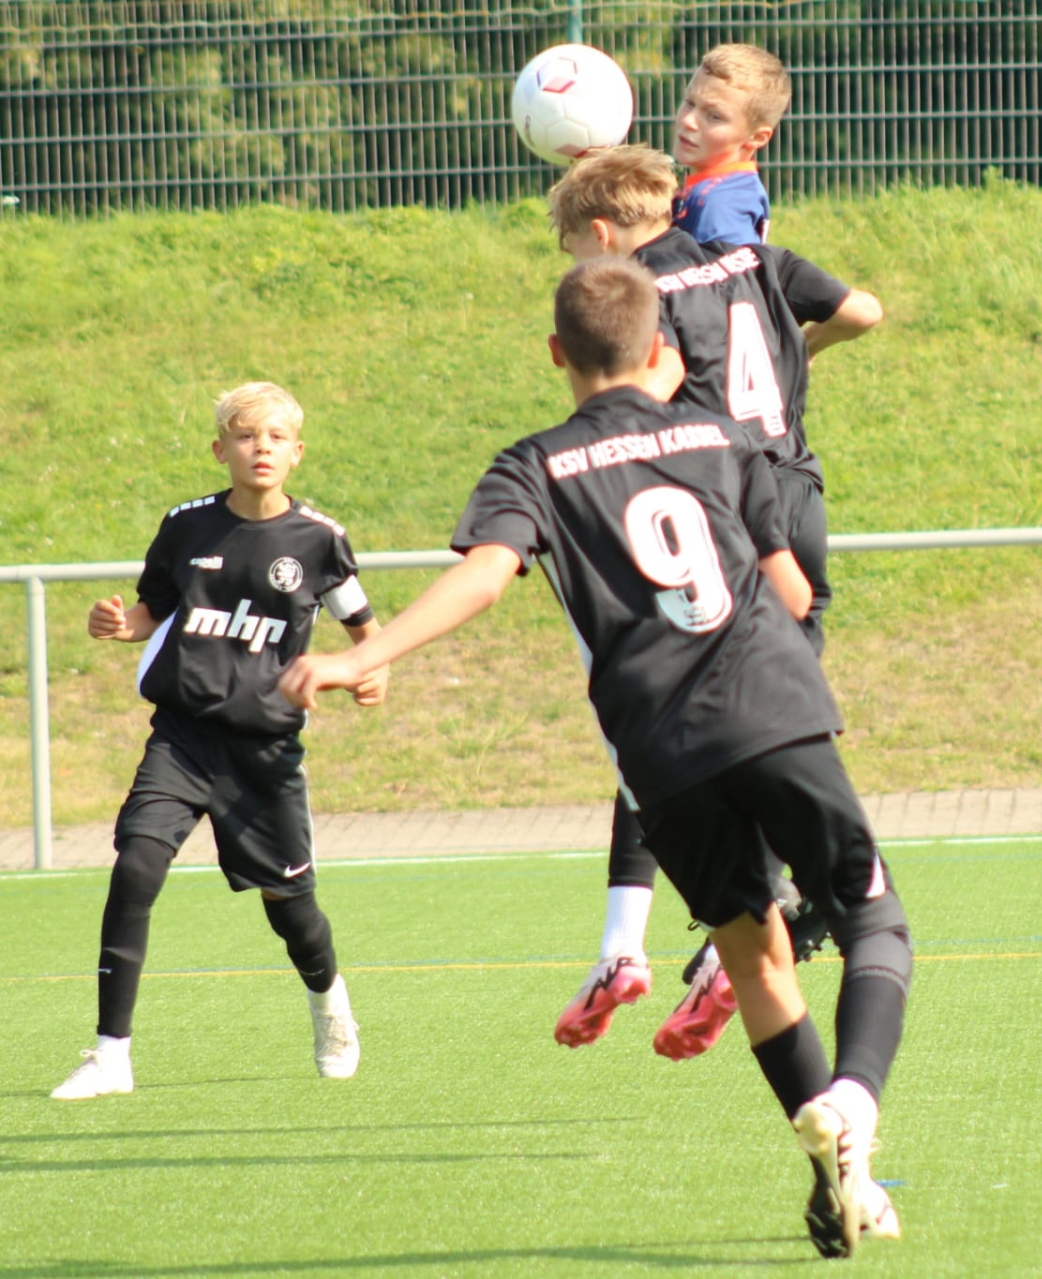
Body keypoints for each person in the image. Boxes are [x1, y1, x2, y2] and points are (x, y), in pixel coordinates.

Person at [279, 257, 911, 1257]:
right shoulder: (723, 435)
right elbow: (793, 592)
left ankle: (844, 1178)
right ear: (662, 347)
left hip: (661, 754)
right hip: (776, 711)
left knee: (753, 955)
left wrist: (363, 654)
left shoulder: (531, 464)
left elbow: (486, 577)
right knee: (874, 917)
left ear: (555, 354)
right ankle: (854, 1103)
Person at [545, 142, 882, 1060]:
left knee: (670, 720)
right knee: (757, 719)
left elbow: (648, 386)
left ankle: (689, 940)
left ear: (602, 234)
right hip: (795, 492)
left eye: (576, 249)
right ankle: (724, 942)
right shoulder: (752, 259)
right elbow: (861, 310)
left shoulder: (642, 291)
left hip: (719, 502)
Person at [51, 382, 388, 1101]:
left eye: (275, 437)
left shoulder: (319, 540)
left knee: (290, 908)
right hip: (182, 739)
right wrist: (118, 624)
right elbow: (149, 612)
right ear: (219, 449)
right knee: (136, 867)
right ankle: (111, 1055)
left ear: (297, 453)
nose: (260, 448)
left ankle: (330, 1006)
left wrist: (370, 673)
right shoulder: (186, 526)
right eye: (245, 436)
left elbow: (366, 632)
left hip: (263, 756)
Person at [671, 43, 789, 244]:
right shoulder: (718, 188)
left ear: (757, 138)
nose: (688, 121)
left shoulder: (721, 204)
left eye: (714, 116)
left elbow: (728, 265)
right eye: (689, 103)